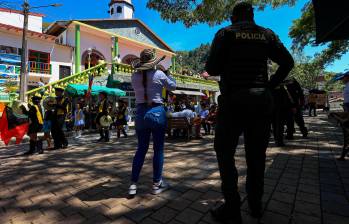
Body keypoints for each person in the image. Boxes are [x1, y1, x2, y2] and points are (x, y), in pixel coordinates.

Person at [204, 2, 294, 223]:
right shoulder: (267, 34)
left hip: (233, 101)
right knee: (257, 156)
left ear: (234, 17)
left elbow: (213, 68)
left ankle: (232, 207)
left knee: (225, 154)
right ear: (252, 16)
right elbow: (287, 62)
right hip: (260, 102)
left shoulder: (225, 33)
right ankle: (255, 205)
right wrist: (269, 85)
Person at [129, 49, 176, 197]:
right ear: (153, 62)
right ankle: (156, 184)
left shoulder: (134, 76)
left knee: (141, 149)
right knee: (158, 150)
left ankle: (133, 185)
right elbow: (173, 87)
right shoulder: (159, 74)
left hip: (141, 113)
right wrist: (169, 75)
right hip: (156, 112)